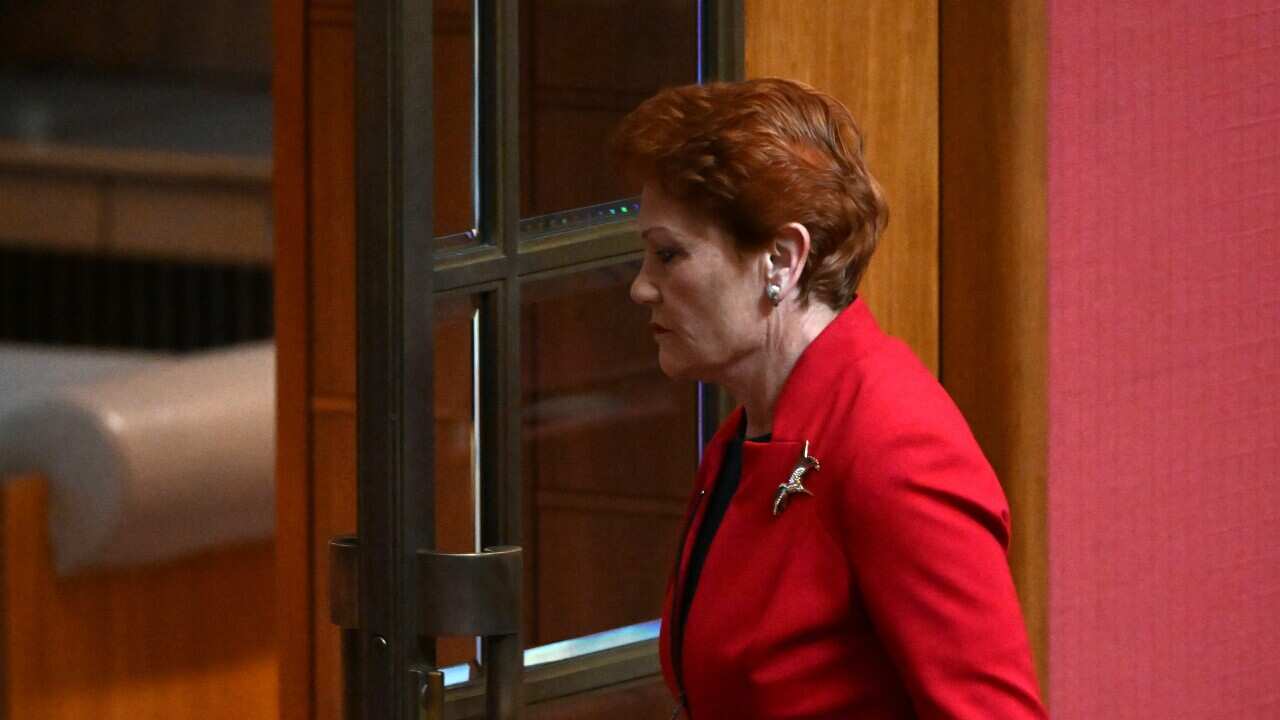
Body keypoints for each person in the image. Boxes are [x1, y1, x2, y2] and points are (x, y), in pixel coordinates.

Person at [611, 78, 1047, 719]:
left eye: (668, 256)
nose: (642, 289)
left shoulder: (895, 447)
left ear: (781, 261)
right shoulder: (743, 434)